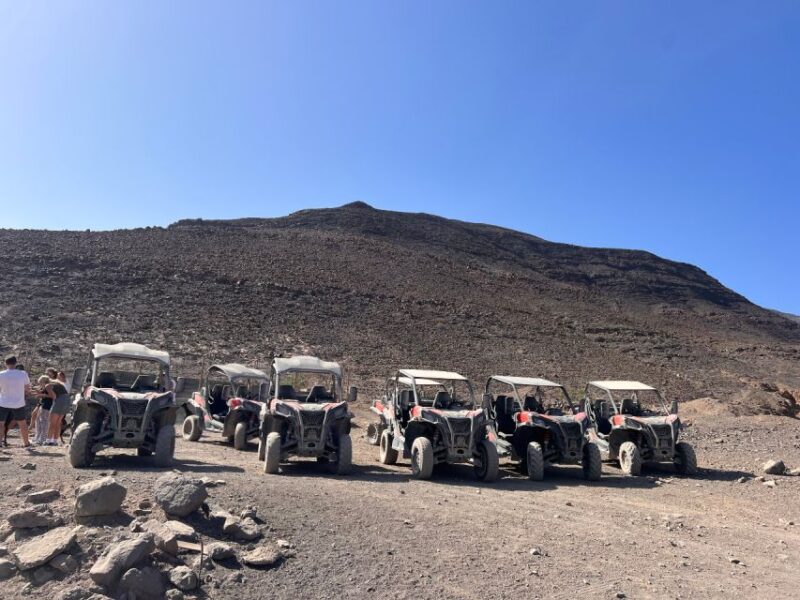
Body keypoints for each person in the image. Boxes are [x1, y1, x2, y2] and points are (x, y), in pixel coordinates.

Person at [0, 356, 32, 448]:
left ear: (5, 363)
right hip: (18, 402)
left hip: (3, 402)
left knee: (0, 423)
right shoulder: (23, 374)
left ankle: (0, 443)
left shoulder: (1, 374)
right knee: (22, 423)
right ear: (15, 363)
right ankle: (26, 443)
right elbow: (27, 388)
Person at [46, 375, 70, 446]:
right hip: (67, 401)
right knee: (58, 423)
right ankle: (55, 440)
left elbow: (54, 397)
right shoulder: (59, 384)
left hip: (59, 401)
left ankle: (48, 440)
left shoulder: (47, 385)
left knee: (52, 423)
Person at [32, 376, 54, 445]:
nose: (39, 384)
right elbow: (42, 392)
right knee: (38, 421)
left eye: (40, 383)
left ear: (44, 382)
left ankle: (42, 438)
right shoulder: (44, 387)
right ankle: (37, 437)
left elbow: (52, 396)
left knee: (44, 422)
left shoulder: (48, 386)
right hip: (42, 405)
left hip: (47, 405)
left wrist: (41, 395)